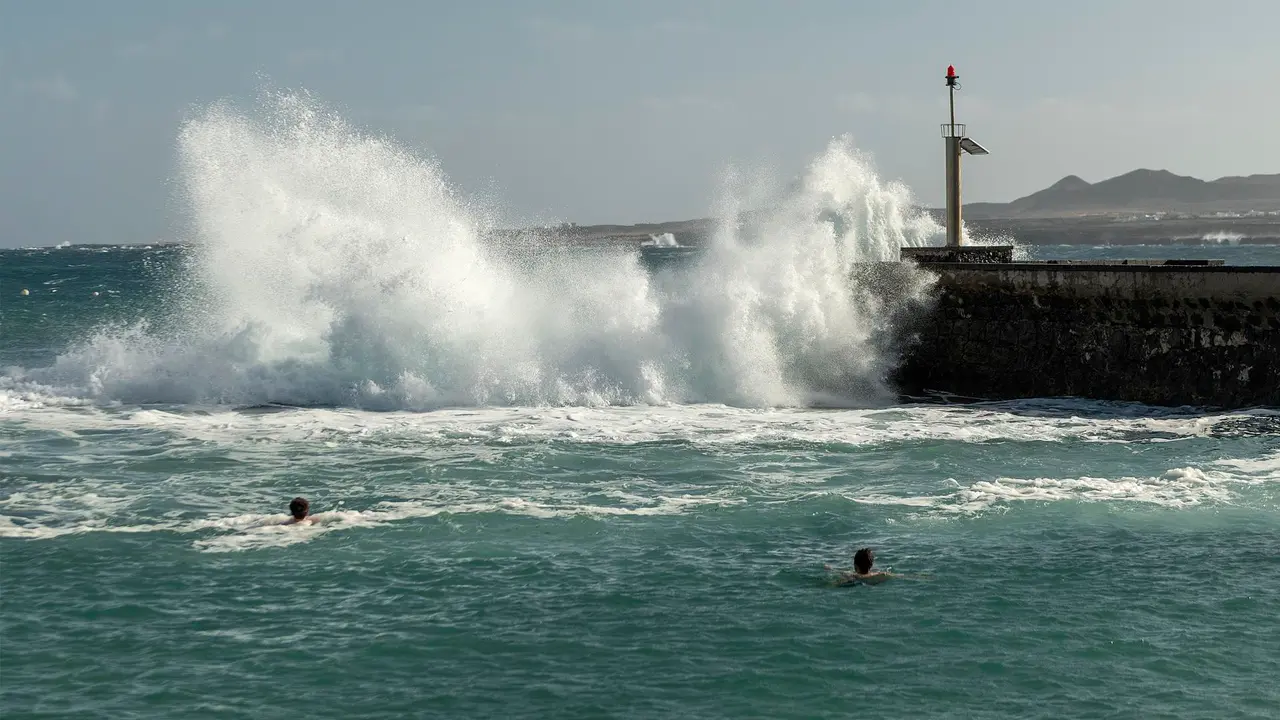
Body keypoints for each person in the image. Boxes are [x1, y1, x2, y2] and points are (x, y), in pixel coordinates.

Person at [825, 547, 894, 586]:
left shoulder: (854, 576)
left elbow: (841, 573)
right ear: (871, 565)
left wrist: (831, 569)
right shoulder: (880, 574)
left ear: (855, 566)